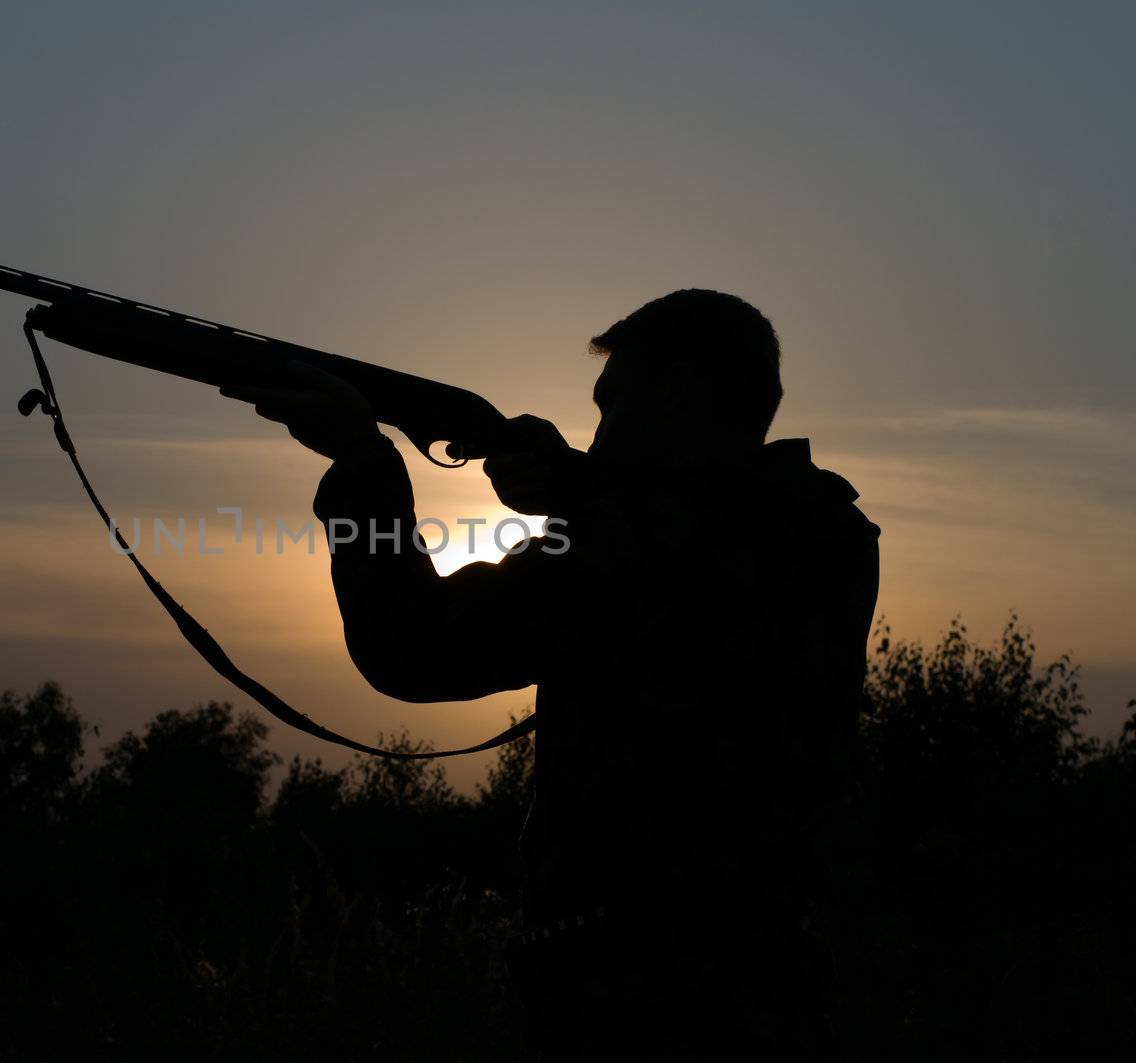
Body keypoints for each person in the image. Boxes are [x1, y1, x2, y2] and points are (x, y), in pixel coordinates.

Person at [224, 289, 880, 1058]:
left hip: (632, 992)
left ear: (682, 393)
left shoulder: (640, 543)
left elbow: (410, 645)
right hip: (763, 974)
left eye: (614, 403)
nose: (598, 434)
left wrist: (365, 464)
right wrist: (576, 494)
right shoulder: (825, 531)